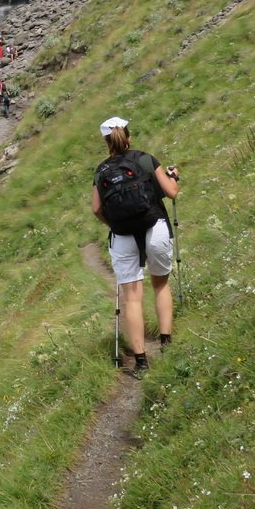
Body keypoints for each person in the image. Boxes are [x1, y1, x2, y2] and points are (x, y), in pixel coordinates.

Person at [91, 116, 180, 375]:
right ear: (128, 137)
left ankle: (141, 361)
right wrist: (174, 177)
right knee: (160, 283)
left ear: (108, 142)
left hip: (122, 235)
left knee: (131, 297)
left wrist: (112, 224)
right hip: (155, 227)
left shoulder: (101, 171)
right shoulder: (145, 159)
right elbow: (171, 192)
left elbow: (96, 208)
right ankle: (166, 342)